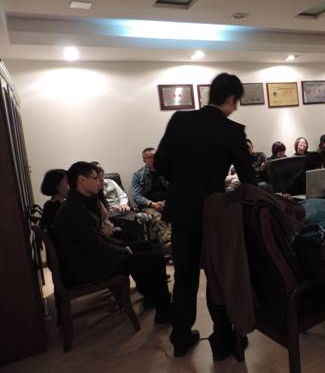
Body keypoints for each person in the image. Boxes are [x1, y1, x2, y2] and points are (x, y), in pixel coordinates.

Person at [155, 73, 257, 360]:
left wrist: (184, 182)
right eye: (236, 102)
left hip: (182, 211)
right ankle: (222, 342)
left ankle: (180, 339)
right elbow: (248, 178)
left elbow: (160, 163)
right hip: (214, 213)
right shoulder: (233, 130)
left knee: (185, 276)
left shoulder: (179, 120)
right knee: (217, 276)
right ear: (231, 99)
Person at [50, 161, 171, 323]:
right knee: (154, 259)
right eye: (95, 178)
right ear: (82, 180)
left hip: (89, 257)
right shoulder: (74, 209)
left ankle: (151, 297)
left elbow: (98, 239)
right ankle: (164, 311)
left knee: (145, 246)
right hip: (86, 267)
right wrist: (125, 250)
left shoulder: (78, 203)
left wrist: (124, 247)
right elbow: (97, 245)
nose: (99, 182)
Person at [131, 148, 171, 245]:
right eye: (150, 157)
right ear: (144, 160)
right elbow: (136, 196)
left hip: (168, 203)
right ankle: (169, 245)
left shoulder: (167, 171)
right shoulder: (138, 175)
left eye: (156, 156)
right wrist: (152, 204)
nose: (154, 159)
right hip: (149, 206)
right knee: (159, 219)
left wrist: (166, 202)